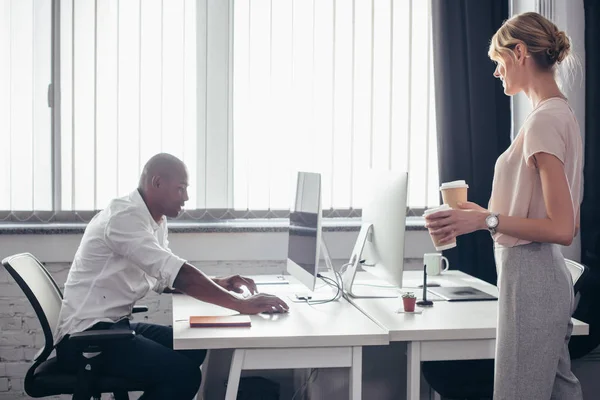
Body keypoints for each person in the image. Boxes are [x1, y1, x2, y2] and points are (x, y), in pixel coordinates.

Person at [424, 12, 583, 400]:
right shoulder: (557, 114)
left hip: (532, 280)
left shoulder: (545, 120)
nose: (496, 73)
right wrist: (478, 217)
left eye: (498, 62)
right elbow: (535, 211)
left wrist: (486, 220)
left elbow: (562, 228)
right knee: (561, 391)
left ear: (520, 53)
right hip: (538, 278)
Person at [54, 153, 289, 400]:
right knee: (185, 376)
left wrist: (218, 283)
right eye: (180, 189)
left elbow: (163, 277)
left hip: (111, 326)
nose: (186, 197)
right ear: (157, 183)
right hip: (87, 338)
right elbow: (178, 274)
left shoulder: (154, 219)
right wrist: (240, 304)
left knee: (193, 351)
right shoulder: (125, 218)